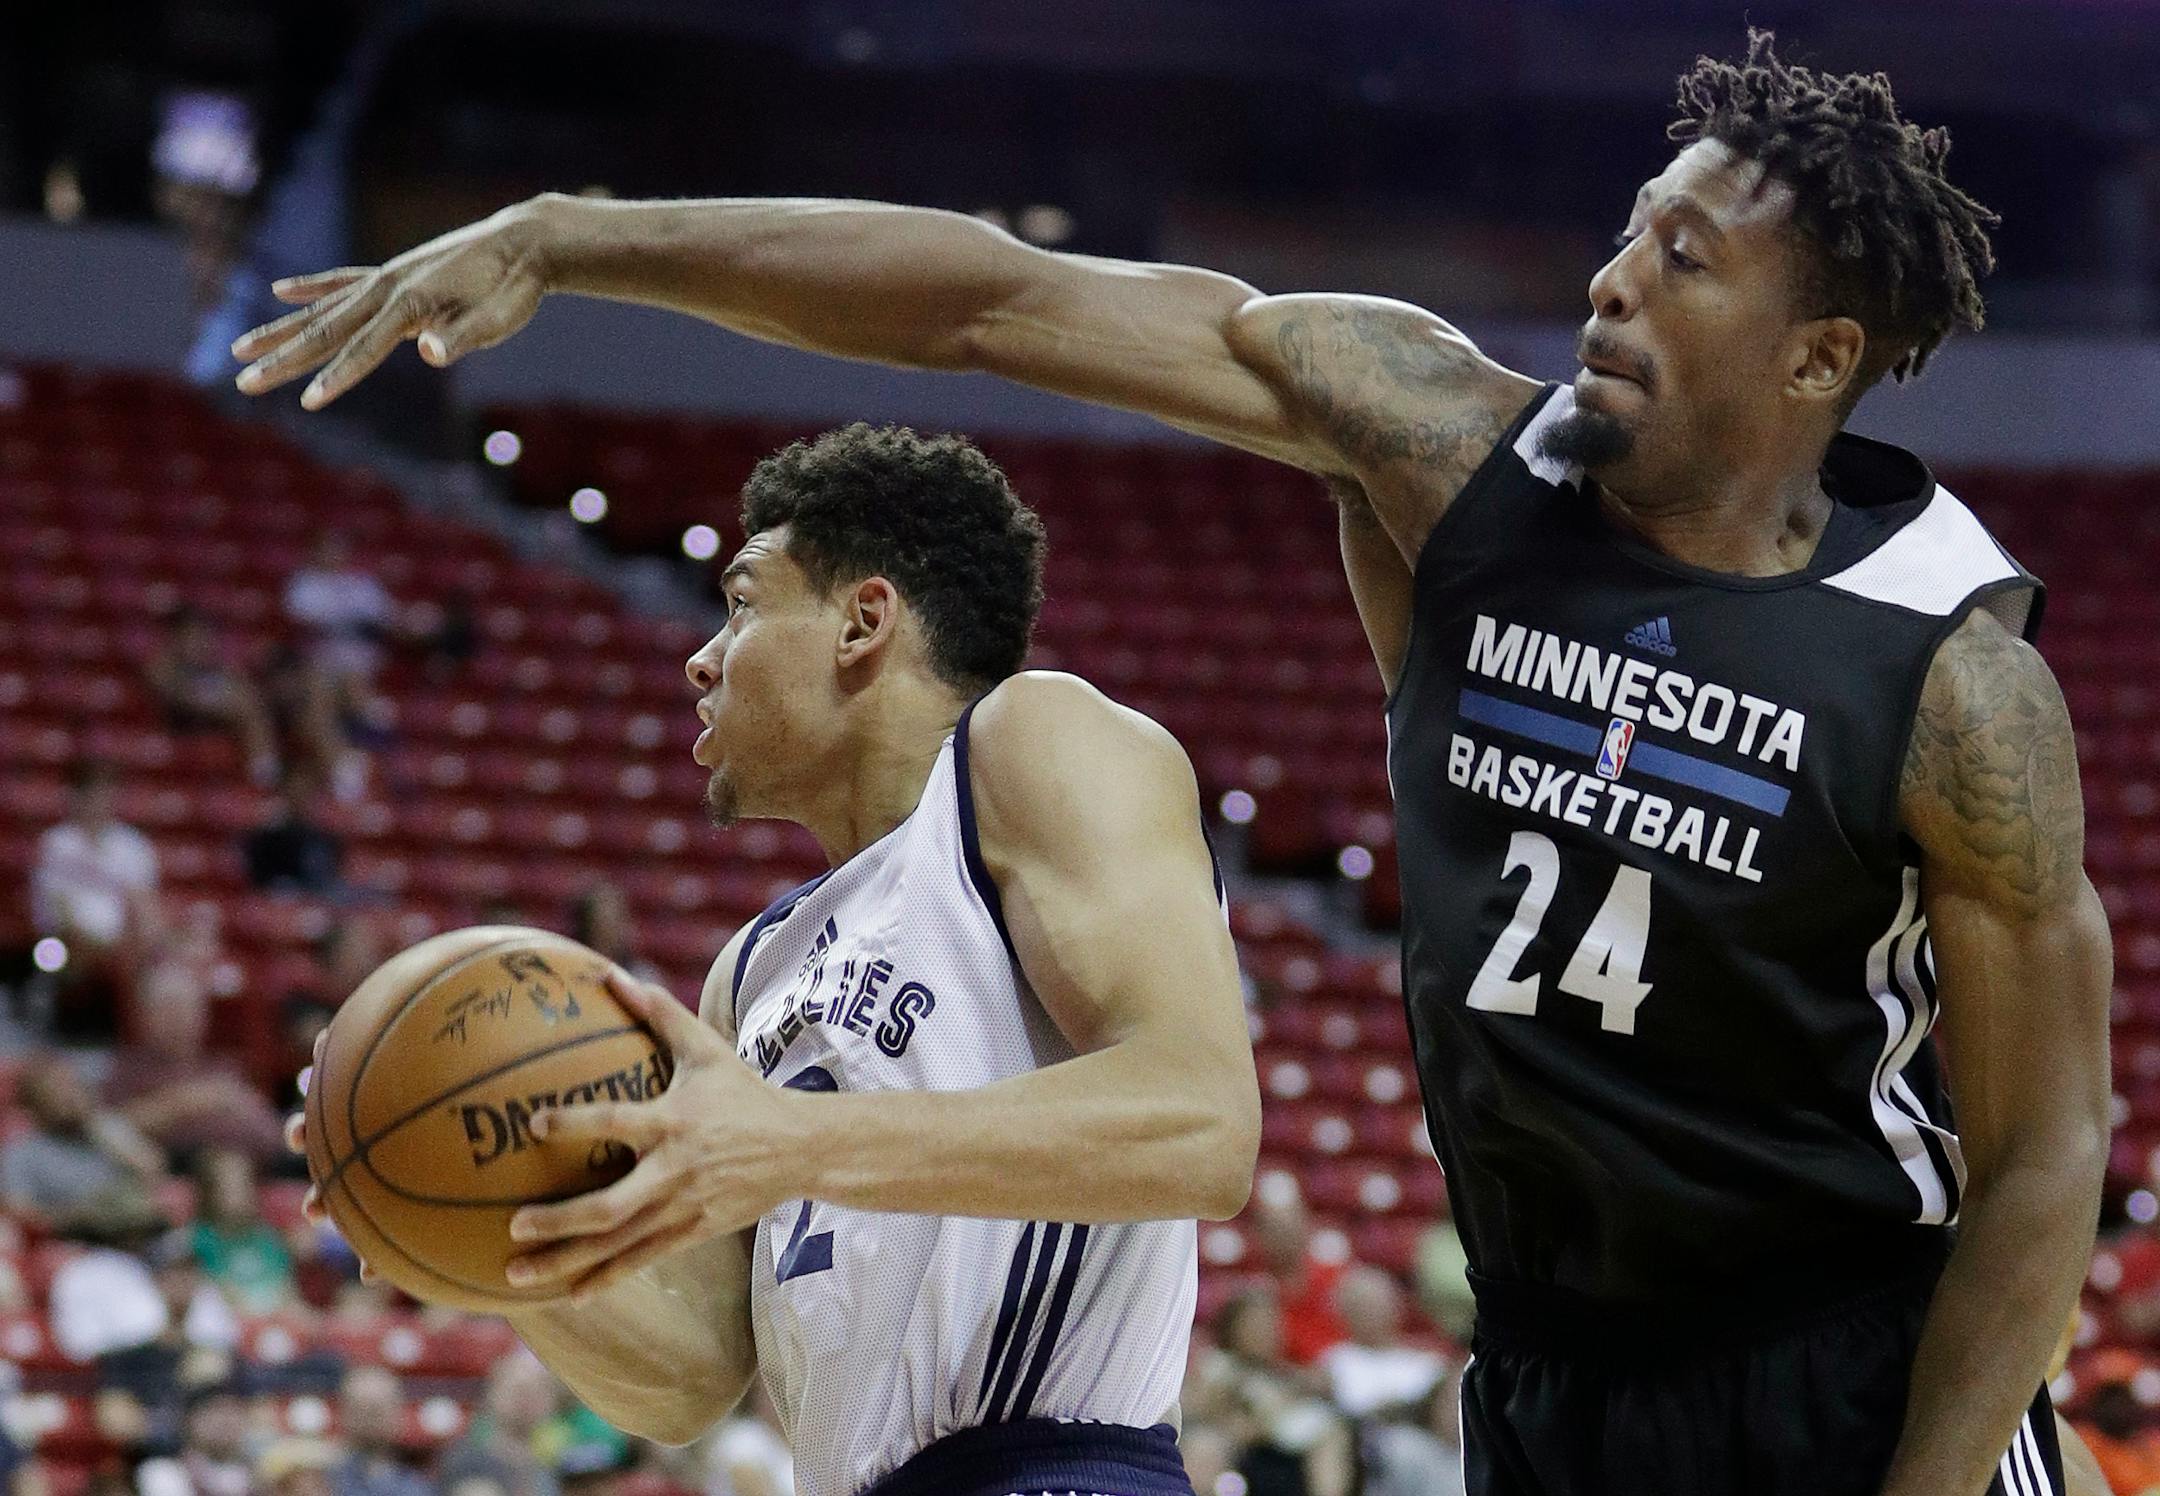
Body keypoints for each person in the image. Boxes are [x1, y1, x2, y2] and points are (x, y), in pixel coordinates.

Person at [240, 27, 2112, 1496]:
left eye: (1685, 260)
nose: (1617, 280)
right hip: (1555, 1377)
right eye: (1633, 225)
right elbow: (982, 299)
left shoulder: (1948, 679)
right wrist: (574, 237)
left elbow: (2045, 1162)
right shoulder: (1443, 449)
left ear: (1817, 359)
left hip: (1851, 1355)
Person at [285, 425, 1259, 1496]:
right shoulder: (753, 968)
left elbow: (1203, 1121)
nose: (702, 656)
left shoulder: (1032, 740)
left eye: (743, 604)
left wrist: (793, 1139)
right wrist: (463, 1220)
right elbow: (693, 1375)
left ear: (864, 620)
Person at [30, 759, 162, 1035]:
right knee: (54, 953)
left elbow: (144, 904)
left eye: (106, 794)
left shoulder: (132, 845)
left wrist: (142, 941)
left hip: (123, 942)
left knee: (155, 953)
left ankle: (139, 1035)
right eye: (92, 793)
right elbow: (59, 910)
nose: (100, 802)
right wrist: (96, 944)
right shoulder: (56, 842)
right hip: (63, 943)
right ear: (76, 797)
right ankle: (59, 1021)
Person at [0, 1053, 165, 1234]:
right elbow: (18, 1211)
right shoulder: (21, 1153)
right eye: (55, 1092)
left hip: (134, 1228)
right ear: (35, 1106)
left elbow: (153, 1170)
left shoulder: (108, 1127)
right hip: (73, 1240)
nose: (68, 1098)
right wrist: (77, 1215)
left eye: (72, 1087)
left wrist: (93, 1125)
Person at [145, 605, 282, 787]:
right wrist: (225, 703)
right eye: (193, 636)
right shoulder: (161, 665)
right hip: (179, 723)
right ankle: (267, 781)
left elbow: (249, 692)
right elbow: (179, 695)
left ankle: (265, 778)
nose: (201, 643)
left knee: (250, 705)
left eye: (204, 636)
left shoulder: (220, 668)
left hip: (217, 719)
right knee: (246, 707)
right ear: (176, 638)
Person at [1316, 1267, 1446, 1419]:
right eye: (1360, 1307)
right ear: (1343, 1313)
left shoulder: (1429, 1361)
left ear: (1397, 1305)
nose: (1370, 1314)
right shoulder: (1333, 1363)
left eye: (1376, 1304)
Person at [243, 771, 347, 895]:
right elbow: (258, 880)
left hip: (319, 899)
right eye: (295, 792)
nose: (301, 798)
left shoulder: (328, 837)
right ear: (285, 795)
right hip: (277, 898)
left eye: (308, 793)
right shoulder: (265, 836)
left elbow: (330, 878)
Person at [331, 1368, 431, 1496]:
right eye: (360, 1410)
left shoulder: (416, 1487)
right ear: (342, 1412)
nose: (368, 1420)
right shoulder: (318, 1480)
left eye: (376, 1411)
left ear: (399, 1414)